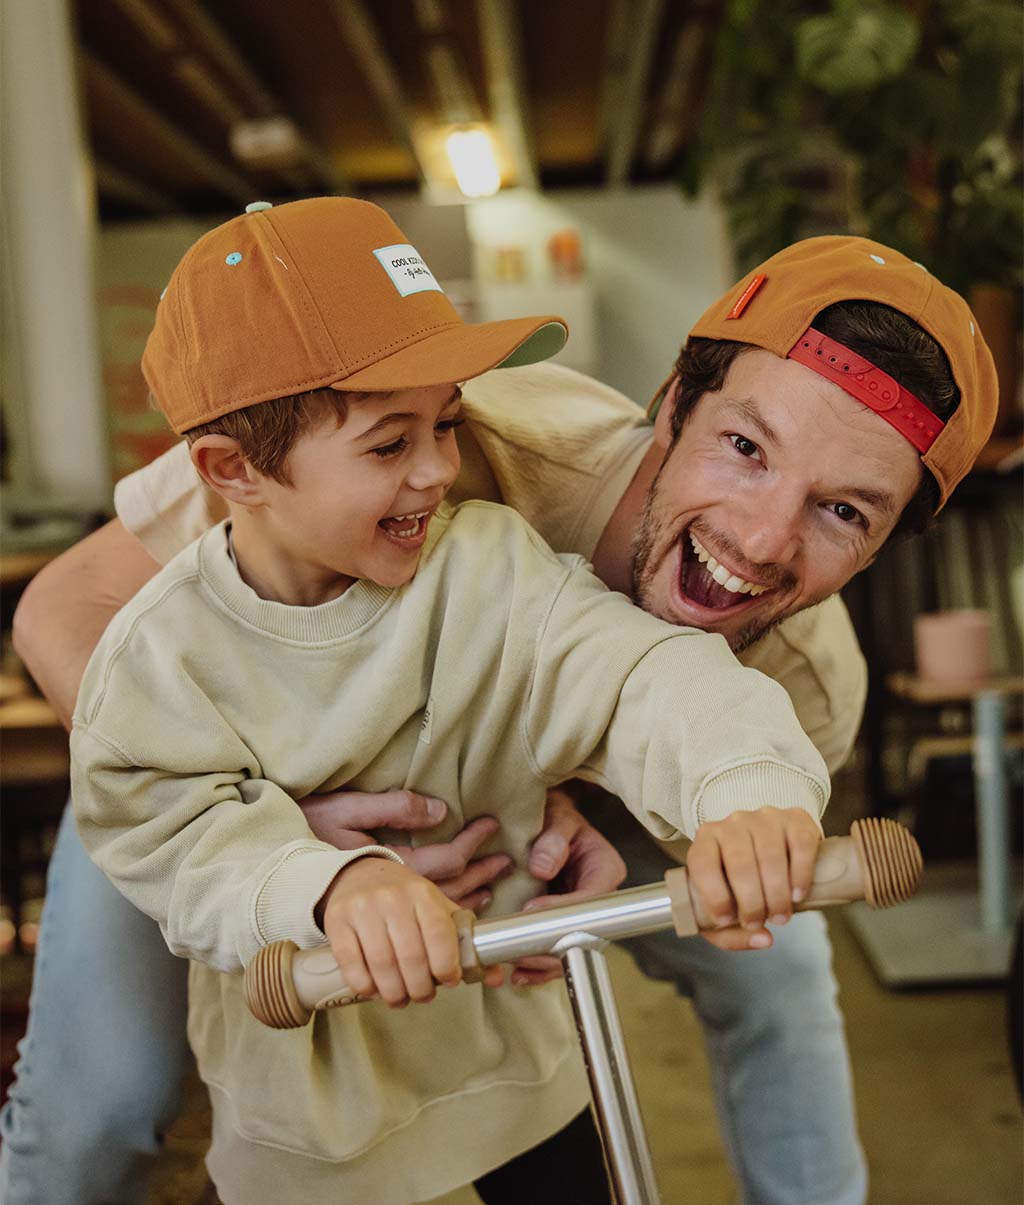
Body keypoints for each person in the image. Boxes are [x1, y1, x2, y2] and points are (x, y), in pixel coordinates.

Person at [2, 221, 996, 1204]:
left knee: (775, 969)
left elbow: (644, 682)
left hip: (506, 795)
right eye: (743, 447)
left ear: (879, 547)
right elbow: (60, 612)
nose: (761, 533)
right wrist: (280, 817)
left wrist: (733, 801)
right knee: (101, 1100)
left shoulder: (787, 679)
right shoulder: (428, 426)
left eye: (843, 511)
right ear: (674, 403)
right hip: (214, 766)